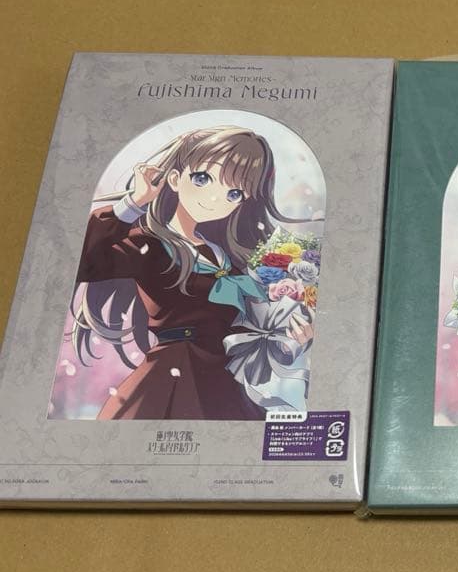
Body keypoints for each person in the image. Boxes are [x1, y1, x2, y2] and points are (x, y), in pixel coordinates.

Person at [71, 125, 312, 419]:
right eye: (202, 179)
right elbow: (83, 263)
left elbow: (238, 328)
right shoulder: (149, 245)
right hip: (171, 377)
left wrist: (286, 338)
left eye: (234, 193)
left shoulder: (227, 256)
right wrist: (134, 203)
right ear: (175, 178)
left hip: (224, 380)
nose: (214, 199)